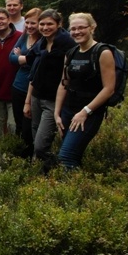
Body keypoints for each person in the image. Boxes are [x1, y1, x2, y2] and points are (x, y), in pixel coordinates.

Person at [55, 13, 116, 169]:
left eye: (81, 27)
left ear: (92, 28)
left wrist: (85, 112)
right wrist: (57, 113)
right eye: (73, 29)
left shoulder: (102, 52)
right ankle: (79, 186)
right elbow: (63, 84)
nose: (77, 32)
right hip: (68, 111)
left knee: (66, 157)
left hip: (89, 113)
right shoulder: (71, 53)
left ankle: (69, 191)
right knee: (72, 154)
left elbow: (109, 89)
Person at [24, 9, 76, 167]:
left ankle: (56, 167)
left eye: (50, 24)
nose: (45, 27)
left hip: (54, 100)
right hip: (36, 96)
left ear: (59, 24)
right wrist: (27, 101)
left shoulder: (68, 44)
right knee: (36, 139)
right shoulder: (41, 43)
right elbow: (34, 74)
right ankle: (39, 172)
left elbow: (69, 77)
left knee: (41, 144)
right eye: (42, 24)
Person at [10, 7, 42, 157]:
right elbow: (11, 57)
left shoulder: (43, 41)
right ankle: (19, 156)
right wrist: (26, 58)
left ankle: (29, 157)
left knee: (29, 126)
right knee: (19, 124)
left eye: (33, 23)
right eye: (27, 22)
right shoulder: (23, 37)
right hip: (18, 86)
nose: (29, 26)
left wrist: (22, 57)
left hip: (34, 89)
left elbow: (39, 62)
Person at [0, 8, 22, 137]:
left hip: (15, 91)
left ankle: (13, 156)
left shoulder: (20, 37)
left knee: (13, 127)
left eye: (2, 18)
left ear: (8, 20)